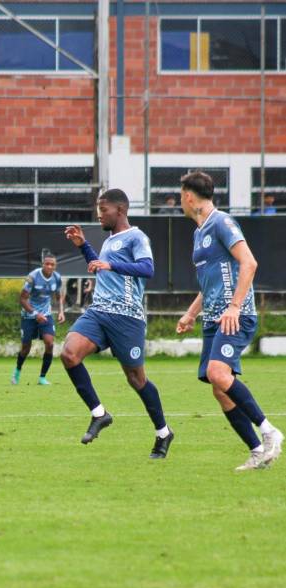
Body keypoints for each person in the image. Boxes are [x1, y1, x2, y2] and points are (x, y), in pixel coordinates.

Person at [176, 171, 283, 471]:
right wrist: (191, 313)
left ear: (188, 196)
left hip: (234, 317)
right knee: (218, 387)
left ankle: (270, 430)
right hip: (213, 319)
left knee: (218, 374)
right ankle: (258, 450)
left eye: (181, 196)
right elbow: (210, 283)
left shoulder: (222, 223)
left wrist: (235, 307)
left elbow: (249, 262)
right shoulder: (199, 232)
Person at [61, 189, 174, 459]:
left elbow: (147, 269)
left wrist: (111, 266)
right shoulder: (109, 241)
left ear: (120, 210)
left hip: (127, 317)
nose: (100, 215)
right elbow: (101, 266)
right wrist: (83, 246)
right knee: (69, 354)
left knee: (136, 379)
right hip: (99, 312)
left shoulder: (136, 237)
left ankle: (163, 433)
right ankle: (99, 414)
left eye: (104, 210)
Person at [12, 252, 65, 385]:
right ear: (43, 264)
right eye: (47, 264)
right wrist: (35, 314)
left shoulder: (57, 278)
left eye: (52, 264)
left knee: (50, 343)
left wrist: (61, 312)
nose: (49, 266)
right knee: (26, 347)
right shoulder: (33, 277)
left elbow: (59, 297)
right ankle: (17, 371)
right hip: (29, 316)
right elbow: (22, 299)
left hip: (46, 315)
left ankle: (42, 377)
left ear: (55, 266)